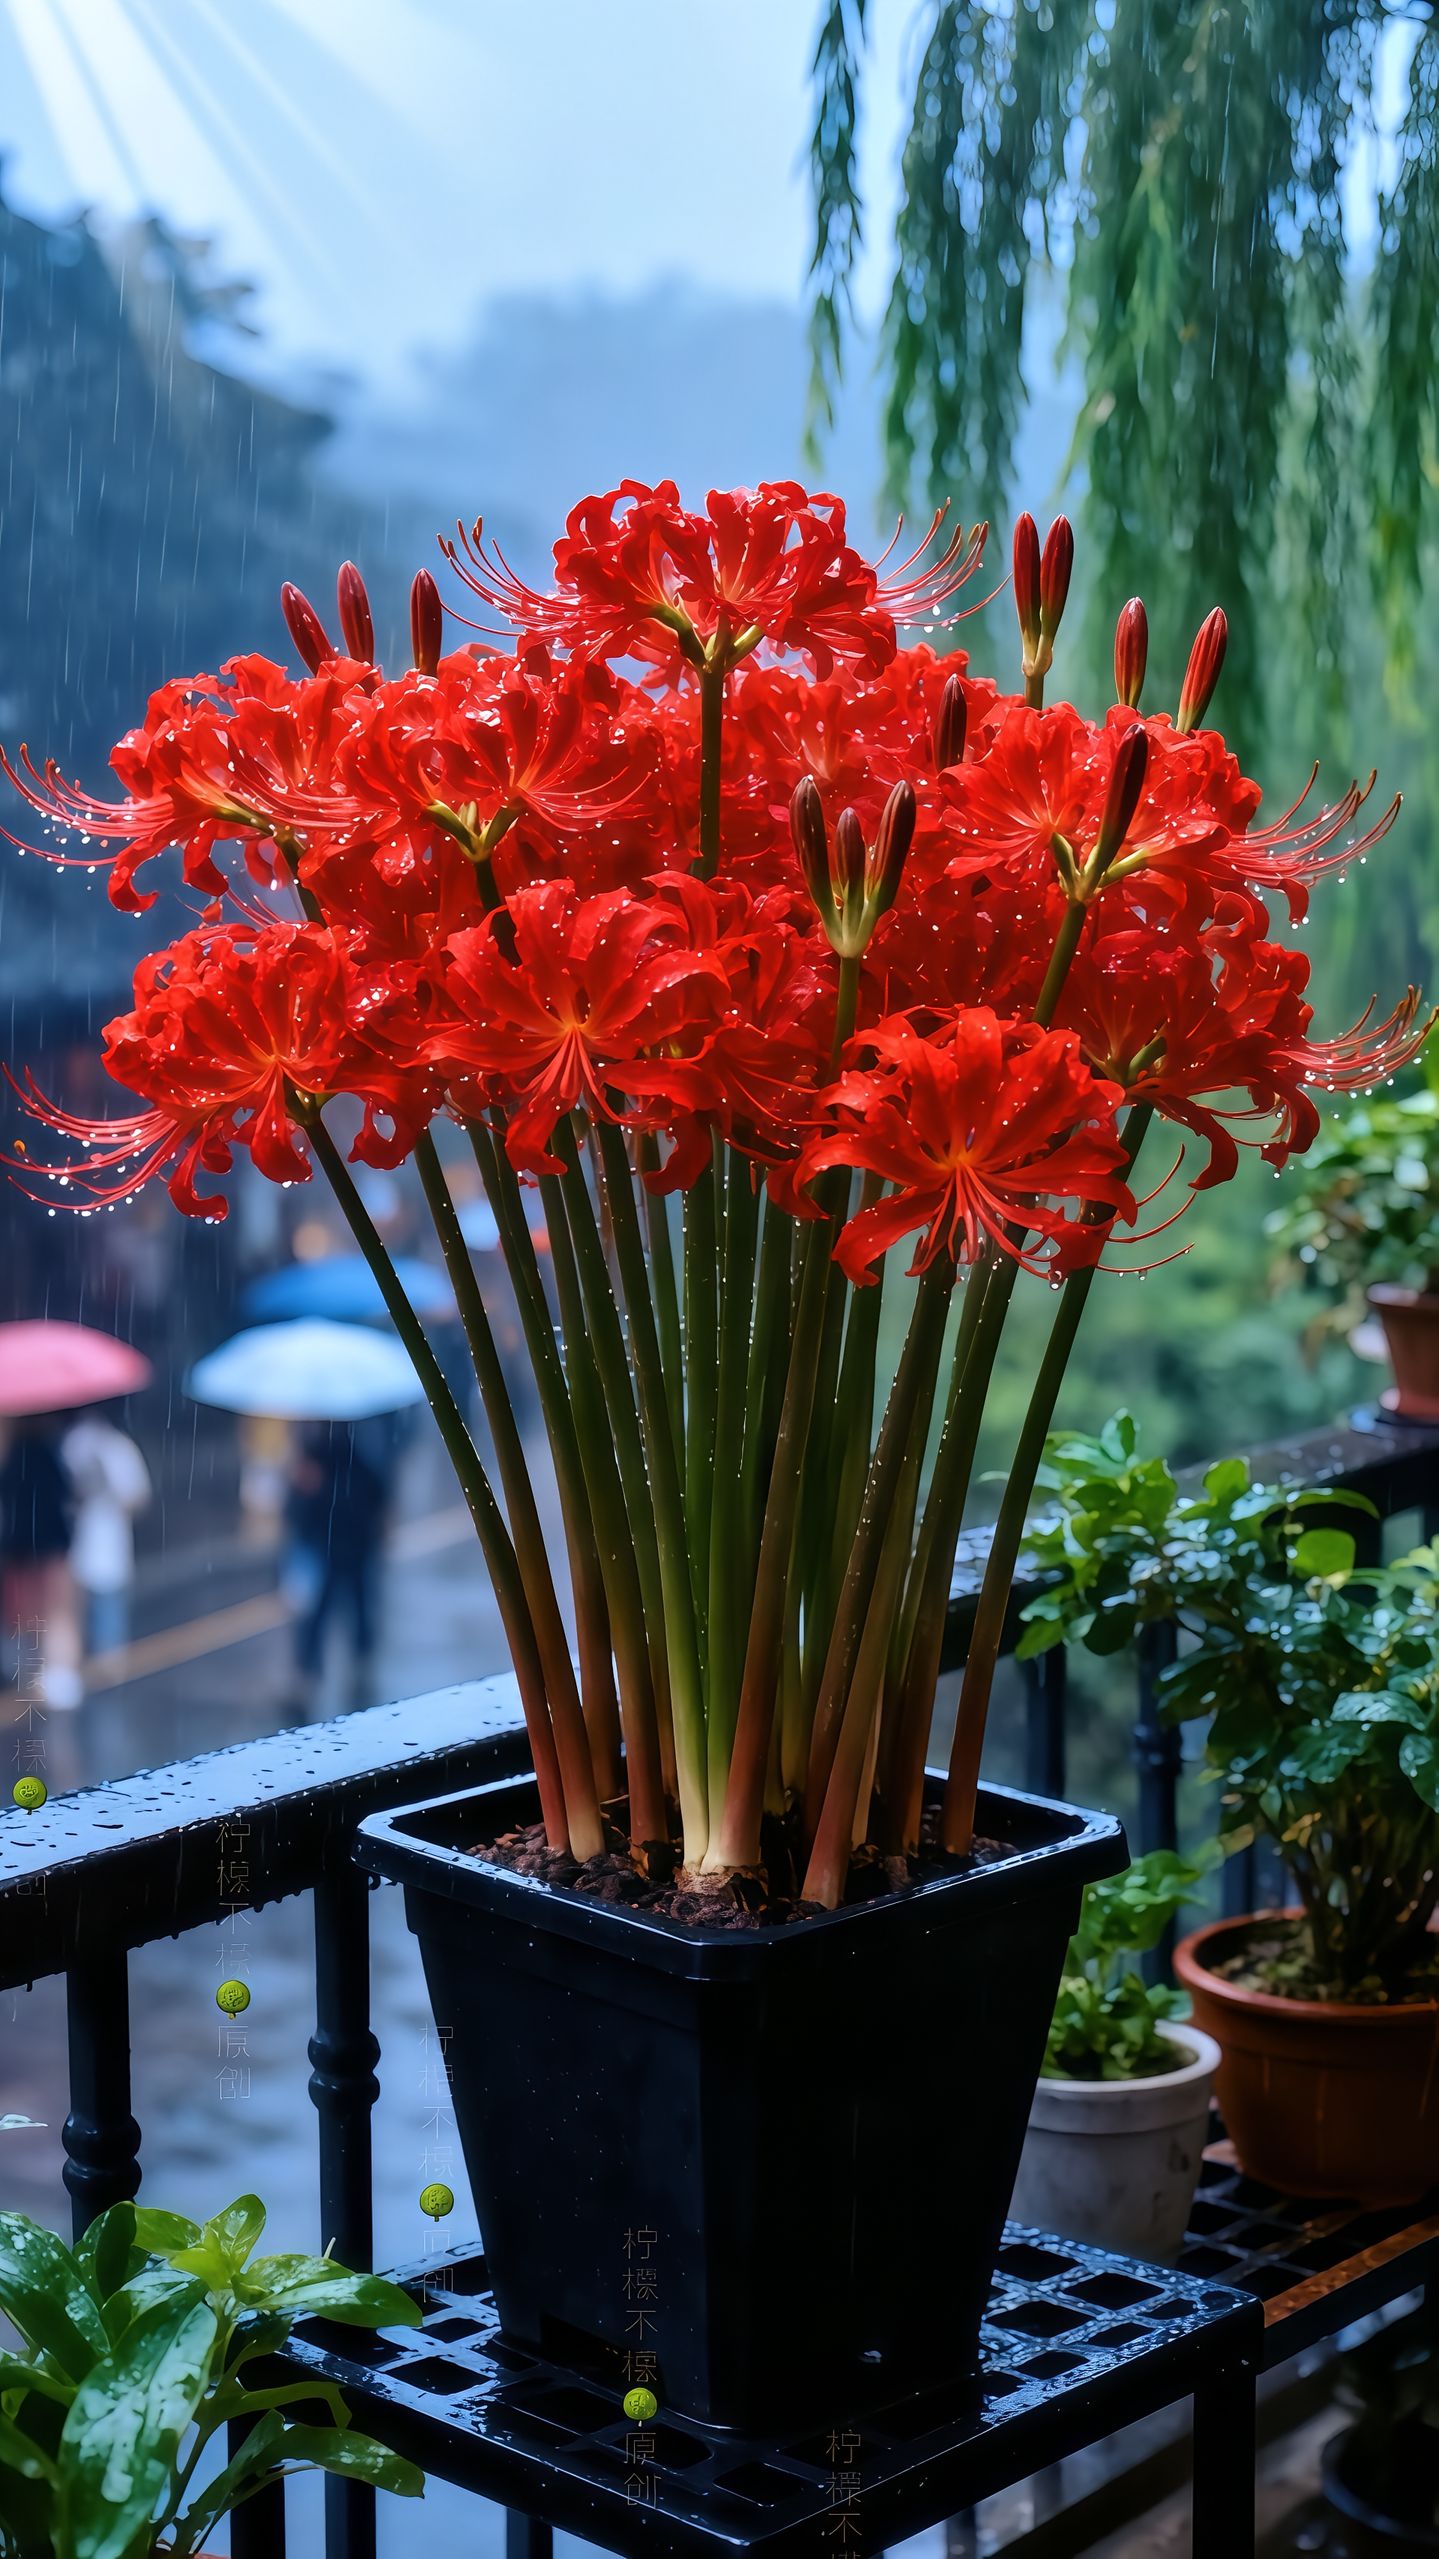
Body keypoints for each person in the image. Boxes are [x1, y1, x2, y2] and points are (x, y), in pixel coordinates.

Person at [284, 1418, 395, 1710]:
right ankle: (315, 1674)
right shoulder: (346, 1459)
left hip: (343, 1548)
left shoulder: (345, 1460)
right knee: (326, 1614)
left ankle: (331, 1672)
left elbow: (296, 1512)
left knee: (334, 1613)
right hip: (335, 1548)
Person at [0, 1417, 83, 1709]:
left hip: (22, 1543)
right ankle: (59, 1677)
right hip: (49, 1540)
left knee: (30, 1611)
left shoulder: (14, 1455)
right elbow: (69, 1491)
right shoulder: (51, 1451)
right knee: (56, 1611)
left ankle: (40, 1674)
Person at [61, 1410, 152, 1659]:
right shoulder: (74, 1443)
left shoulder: (115, 1447)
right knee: (79, 1622)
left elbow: (136, 1498)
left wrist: (107, 1489)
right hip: (76, 1551)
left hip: (104, 1550)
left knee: (103, 1623)